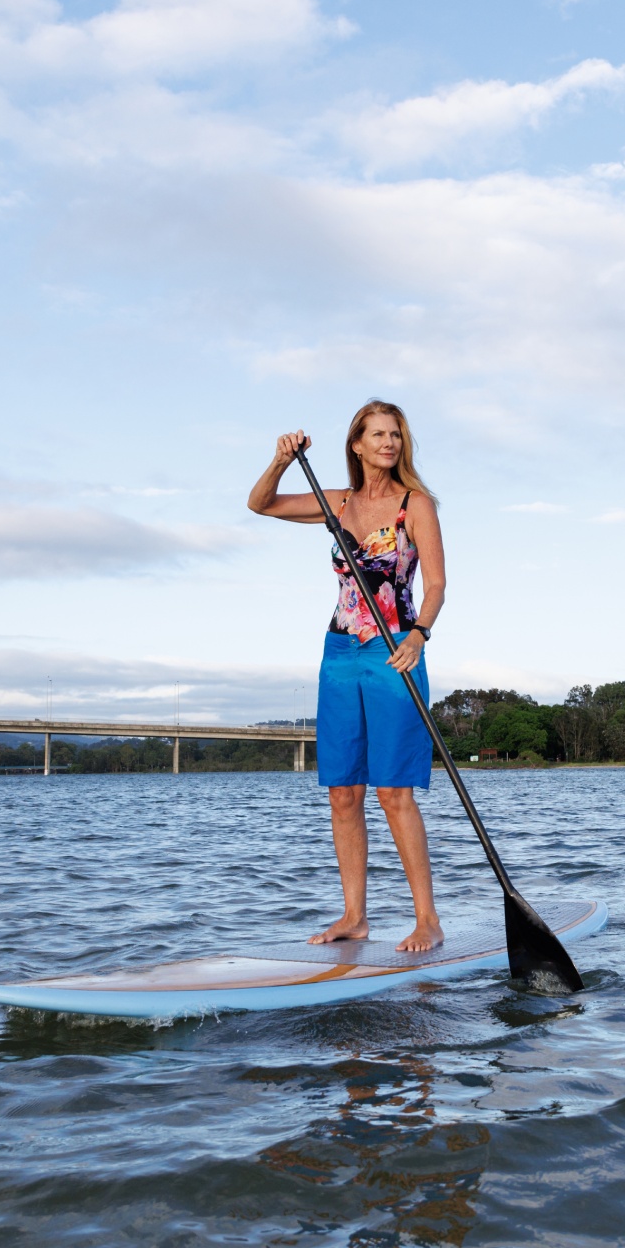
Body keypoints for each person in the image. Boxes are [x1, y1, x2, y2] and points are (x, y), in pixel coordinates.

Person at [248, 400, 446, 952]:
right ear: (356, 444)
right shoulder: (335, 502)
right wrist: (282, 459)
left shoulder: (417, 504)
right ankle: (354, 916)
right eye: (378, 435)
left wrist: (419, 634)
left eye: (396, 436)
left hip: (393, 653)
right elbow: (259, 503)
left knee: (394, 791)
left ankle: (426, 918)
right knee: (342, 792)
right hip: (338, 654)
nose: (389, 443)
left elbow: (436, 585)